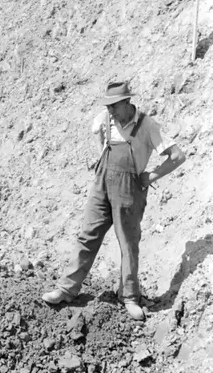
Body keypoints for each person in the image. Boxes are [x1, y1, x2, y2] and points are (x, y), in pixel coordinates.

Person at [42, 81, 186, 320]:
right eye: (107, 106)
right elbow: (96, 131)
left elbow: (177, 156)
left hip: (129, 190)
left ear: (128, 102)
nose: (110, 111)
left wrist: (150, 176)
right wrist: (100, 156)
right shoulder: (105, 118)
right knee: (88, 234)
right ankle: (66, 289)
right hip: (101, 186)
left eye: (114, 106)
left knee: (128, 243)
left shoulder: (147, 125)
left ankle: (129, 297)